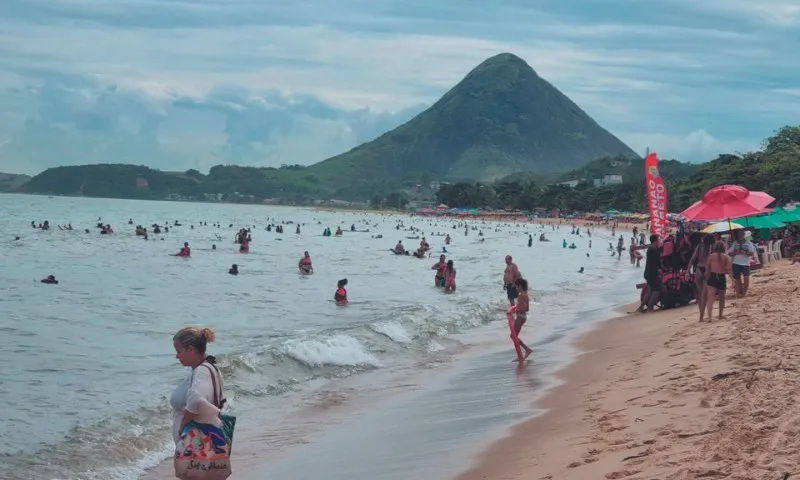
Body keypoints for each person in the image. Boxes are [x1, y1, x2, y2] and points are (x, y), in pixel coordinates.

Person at [170, 327, 230, 467]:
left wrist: (182, 427)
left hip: (197, 446)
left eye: (179, 351)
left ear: (191, 349)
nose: (177, 356)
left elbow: (196, 400)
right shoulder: (208, 368)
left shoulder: (202, 371)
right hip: (204, 443)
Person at [705, 240, 732, 321]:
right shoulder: (726, 257)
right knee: (722, 297)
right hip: (721, 277)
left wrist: (707, 278)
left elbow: (707, 268)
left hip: (712, 276)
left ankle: (710, 317)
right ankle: (720, 315)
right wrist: (732, 279)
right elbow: (729, 269)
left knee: (710, 297)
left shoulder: (711, 256)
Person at [689, 235, 714, 320]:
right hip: (707, 270)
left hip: (699, 269)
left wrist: (688, 271)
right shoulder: (711, 247)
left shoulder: (699, 246)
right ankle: (705, 314)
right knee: (705, 294)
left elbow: (692, 259)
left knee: (700, 294)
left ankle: (701, 315)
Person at [637, 235, 662, 313]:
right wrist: (661, 268)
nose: (659, 241)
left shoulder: (650, 248)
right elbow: (658, 262)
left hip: (647, 272)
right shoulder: (655, 249)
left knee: (650, 291)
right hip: (652, 273)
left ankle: (641, 307)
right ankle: (650, 308)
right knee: (657, 290)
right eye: (658, 240)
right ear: (655, 241)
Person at [728, 229, 755, 297]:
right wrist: (735, 253)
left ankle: (744, 292)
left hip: (745, 263)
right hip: (736, 263)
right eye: (739, 235)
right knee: (737, 279)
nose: (740, 236)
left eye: (741, 234)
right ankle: (738, 293)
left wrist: (745, 253)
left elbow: (752, 253)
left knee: (746, 278)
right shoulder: (735, 243)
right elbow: (730, 253)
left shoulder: (748, 243)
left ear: (744, 235)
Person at [512, 278, 533, 360]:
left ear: (520, 286)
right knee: (514, 336)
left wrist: (515, 311)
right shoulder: (526, 295)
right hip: (523, 317)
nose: (516, 289)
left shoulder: (521, 296)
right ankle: (521, 353)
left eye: (516, 287)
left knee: (513, 336)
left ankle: (526, 350)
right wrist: (516, 309)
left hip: (520, 317)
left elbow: (522, 308)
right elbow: (527, 308)